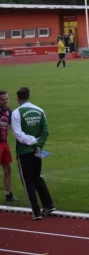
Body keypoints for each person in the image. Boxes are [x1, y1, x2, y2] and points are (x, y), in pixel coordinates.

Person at [11, 87, 55, 219]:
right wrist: (39, 145)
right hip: (37, 151)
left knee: (27, 181)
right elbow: (45, 131)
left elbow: (18, 134)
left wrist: (31, 141)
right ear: (29, 96)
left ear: (18, 98)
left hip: (24, 151)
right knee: (36, 177)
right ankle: (48, 204)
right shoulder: (40, 110)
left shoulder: (17, 113)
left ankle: (36, 212)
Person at [0, 90, 18, 204]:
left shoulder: (8, 111)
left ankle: (8, 195)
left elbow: (11, 127)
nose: (5, 101)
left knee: (8, 169)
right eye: (2, 99)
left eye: (7, 99)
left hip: (4, 143)